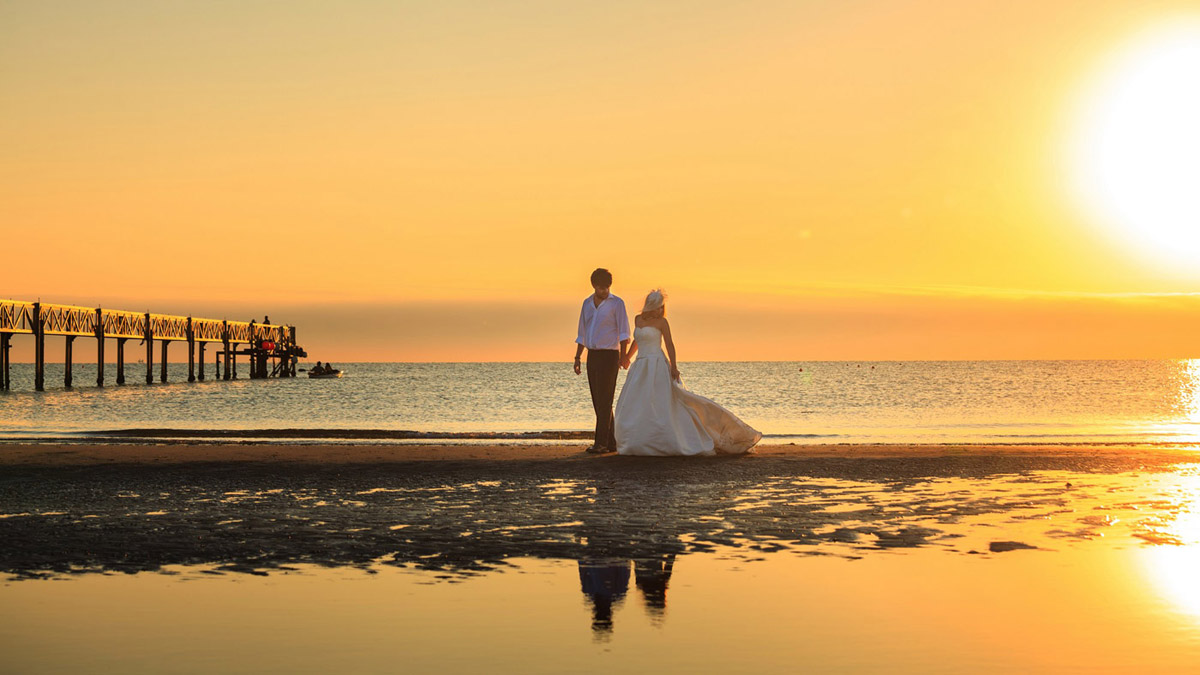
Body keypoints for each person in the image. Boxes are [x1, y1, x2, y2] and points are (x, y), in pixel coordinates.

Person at [614, 289, 761, 456]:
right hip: (641, 365)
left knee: (660, 402)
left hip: (656, 364)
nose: (660, 310)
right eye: (658, 306)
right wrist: (626, 356)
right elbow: (637, 341)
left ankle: (666, 440)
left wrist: (674, 367)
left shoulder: (662, 322)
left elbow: (669, 345)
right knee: (637, 402)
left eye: (661, 307)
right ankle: (636, 440)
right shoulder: (638, 319)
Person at [574, 268, 631, 454]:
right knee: (598, 400)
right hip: (593, 355)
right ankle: (612, 442)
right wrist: (577, 357)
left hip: (610, 355)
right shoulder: (587, 304)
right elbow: (582, 331)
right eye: (601, 288)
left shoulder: (617, 304)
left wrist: (624, 356)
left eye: (607, 287)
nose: (604, 291)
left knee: (605, 400)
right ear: (594, 286)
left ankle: (601, 443)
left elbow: (624, 332)